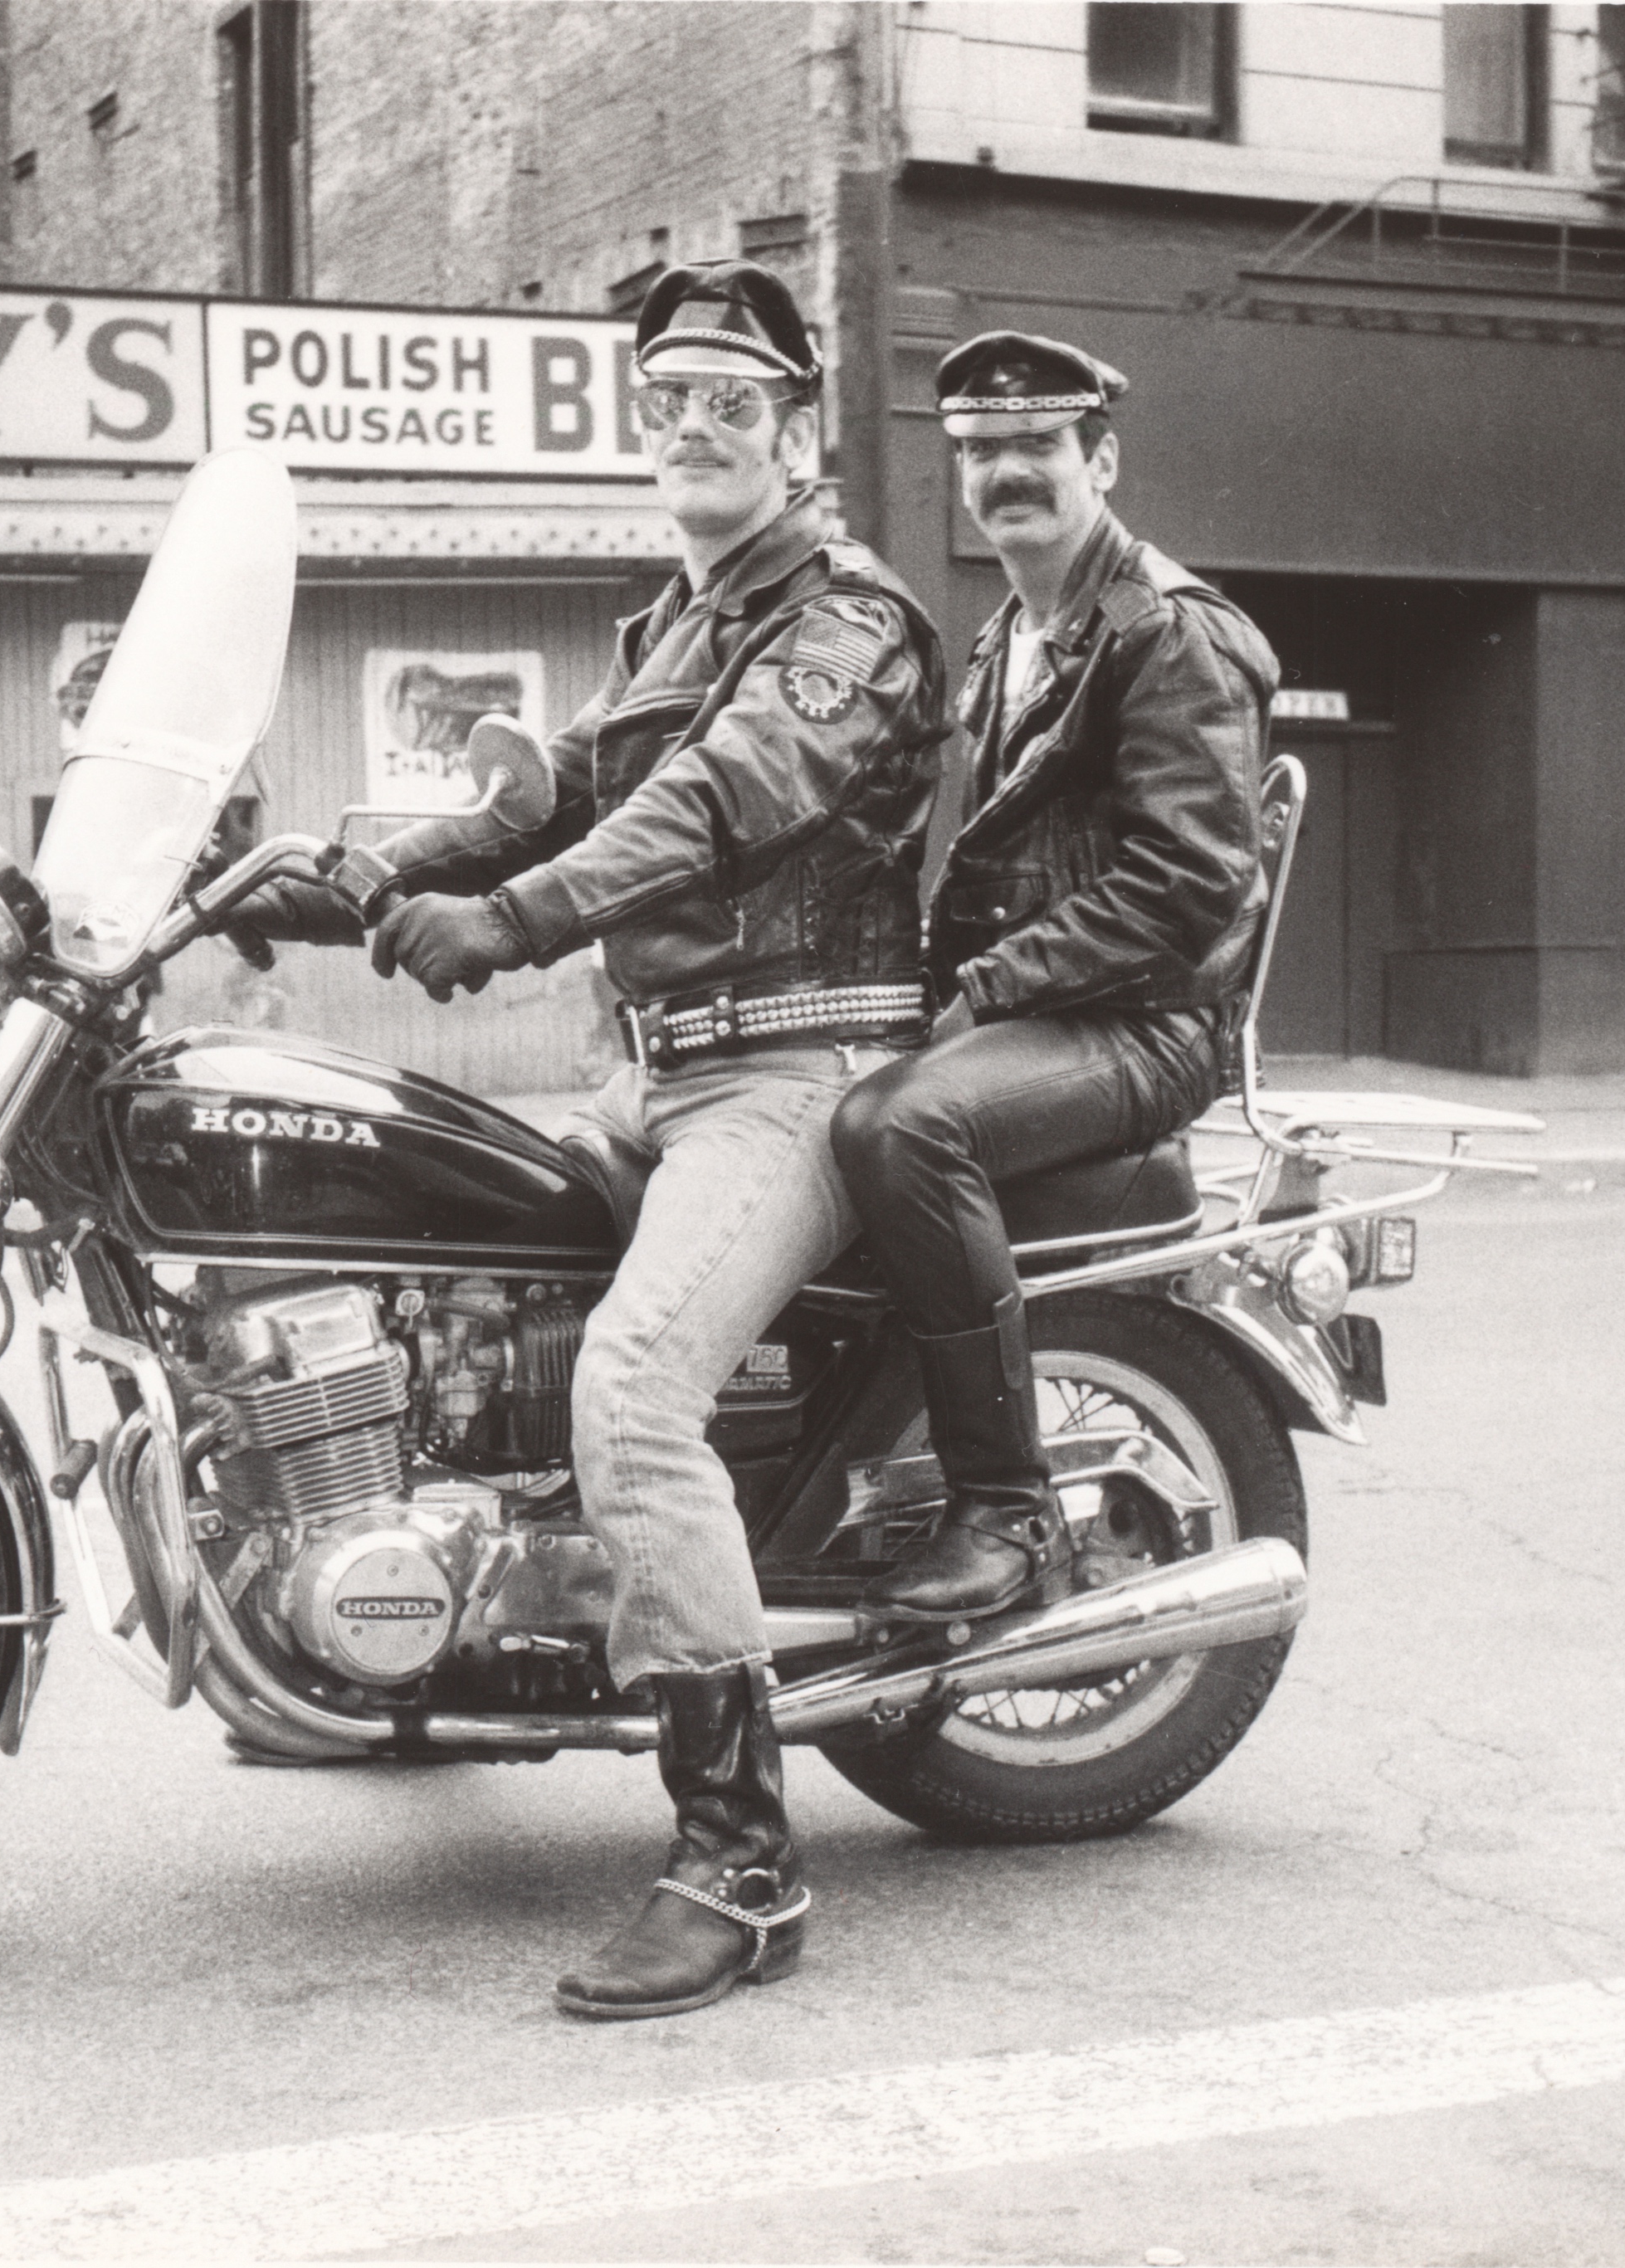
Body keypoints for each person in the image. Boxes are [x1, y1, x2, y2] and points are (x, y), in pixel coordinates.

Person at [222, 261, 951, 2020]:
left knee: (627, 1389)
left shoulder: (851, 623)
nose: (694, 427)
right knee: (433, 1281)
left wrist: (522, 917)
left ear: (793, 432)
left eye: (732, 403)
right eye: (670, 401)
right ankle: (431, 1637)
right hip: (662, 1069)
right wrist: (350, 868)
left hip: (795, 1074)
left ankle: (742, 1864)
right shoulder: (670, 624)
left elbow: (714, 804)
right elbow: (544, 788)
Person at [822, 333, 1271, 1625]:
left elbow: (1190, 882)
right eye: (978, 452)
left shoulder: (1169, 635)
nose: (1006, 472)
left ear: (1100, 459)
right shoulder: (1010, 634)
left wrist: (989, 987)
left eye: (1035, 447)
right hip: (1049, 1004)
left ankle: (1003, 1510)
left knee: (898, 1125)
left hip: (1143, 1021)